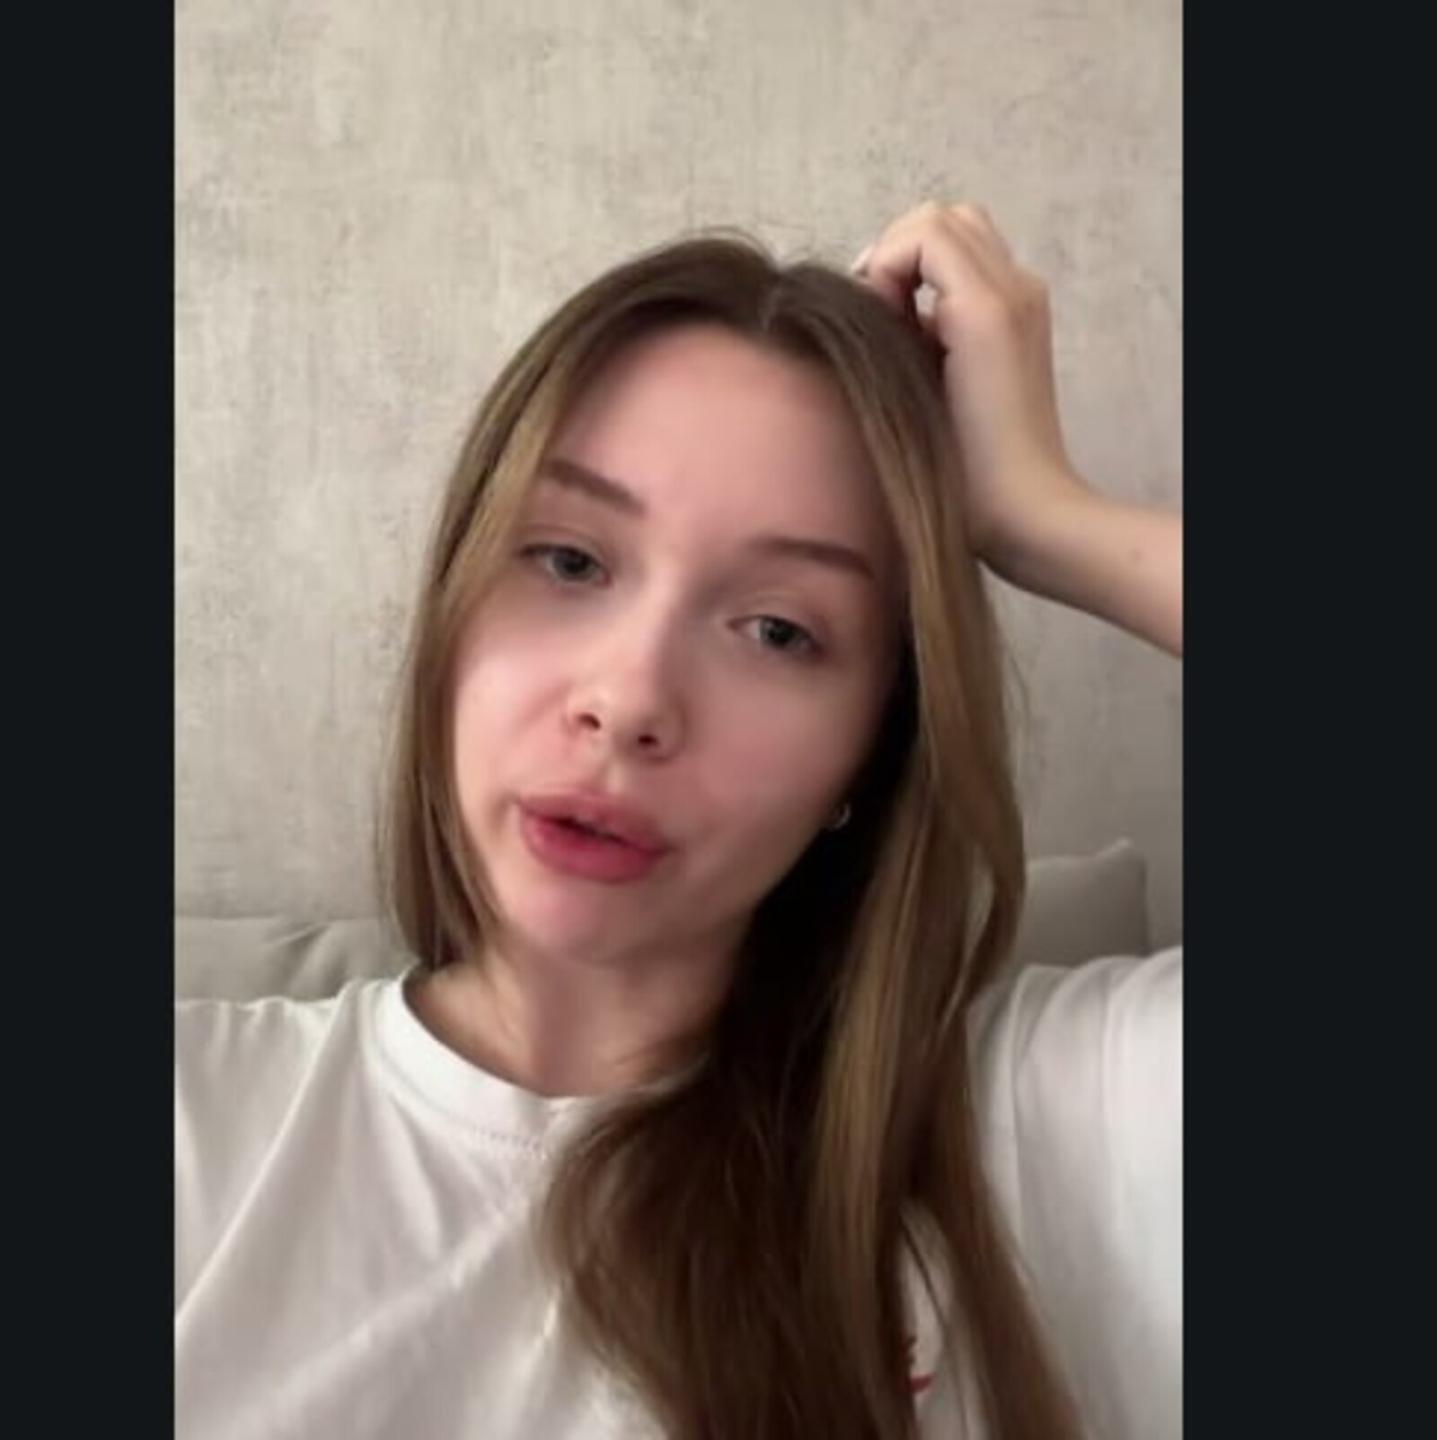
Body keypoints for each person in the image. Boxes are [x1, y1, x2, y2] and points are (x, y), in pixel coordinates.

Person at [175, 201, 1182, 1440]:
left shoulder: (1040, 1131)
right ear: (452, 609)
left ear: (868, 756)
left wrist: (1048, 518)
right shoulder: (196, 1118)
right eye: (569, 561)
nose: (632, 699)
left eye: (779, 629)